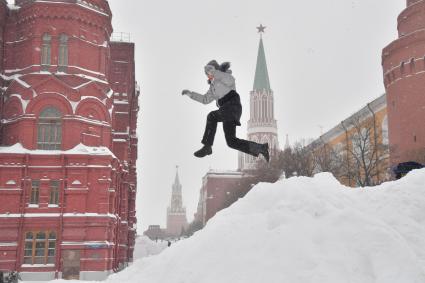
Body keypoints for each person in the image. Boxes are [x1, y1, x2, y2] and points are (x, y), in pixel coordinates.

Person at [182, 60, 269, 162]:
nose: (208, 76)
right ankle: (261, 148)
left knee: (212, 116)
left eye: (209, 73)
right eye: (207, 75)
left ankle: (207, 146)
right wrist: (191, 94)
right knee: (231, 142)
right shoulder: (212, 87)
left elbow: (231, 80)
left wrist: (214, 73)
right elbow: (205, 99)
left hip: (232, 105)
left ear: (215, 70)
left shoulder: (225, 76)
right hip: (226, 111)